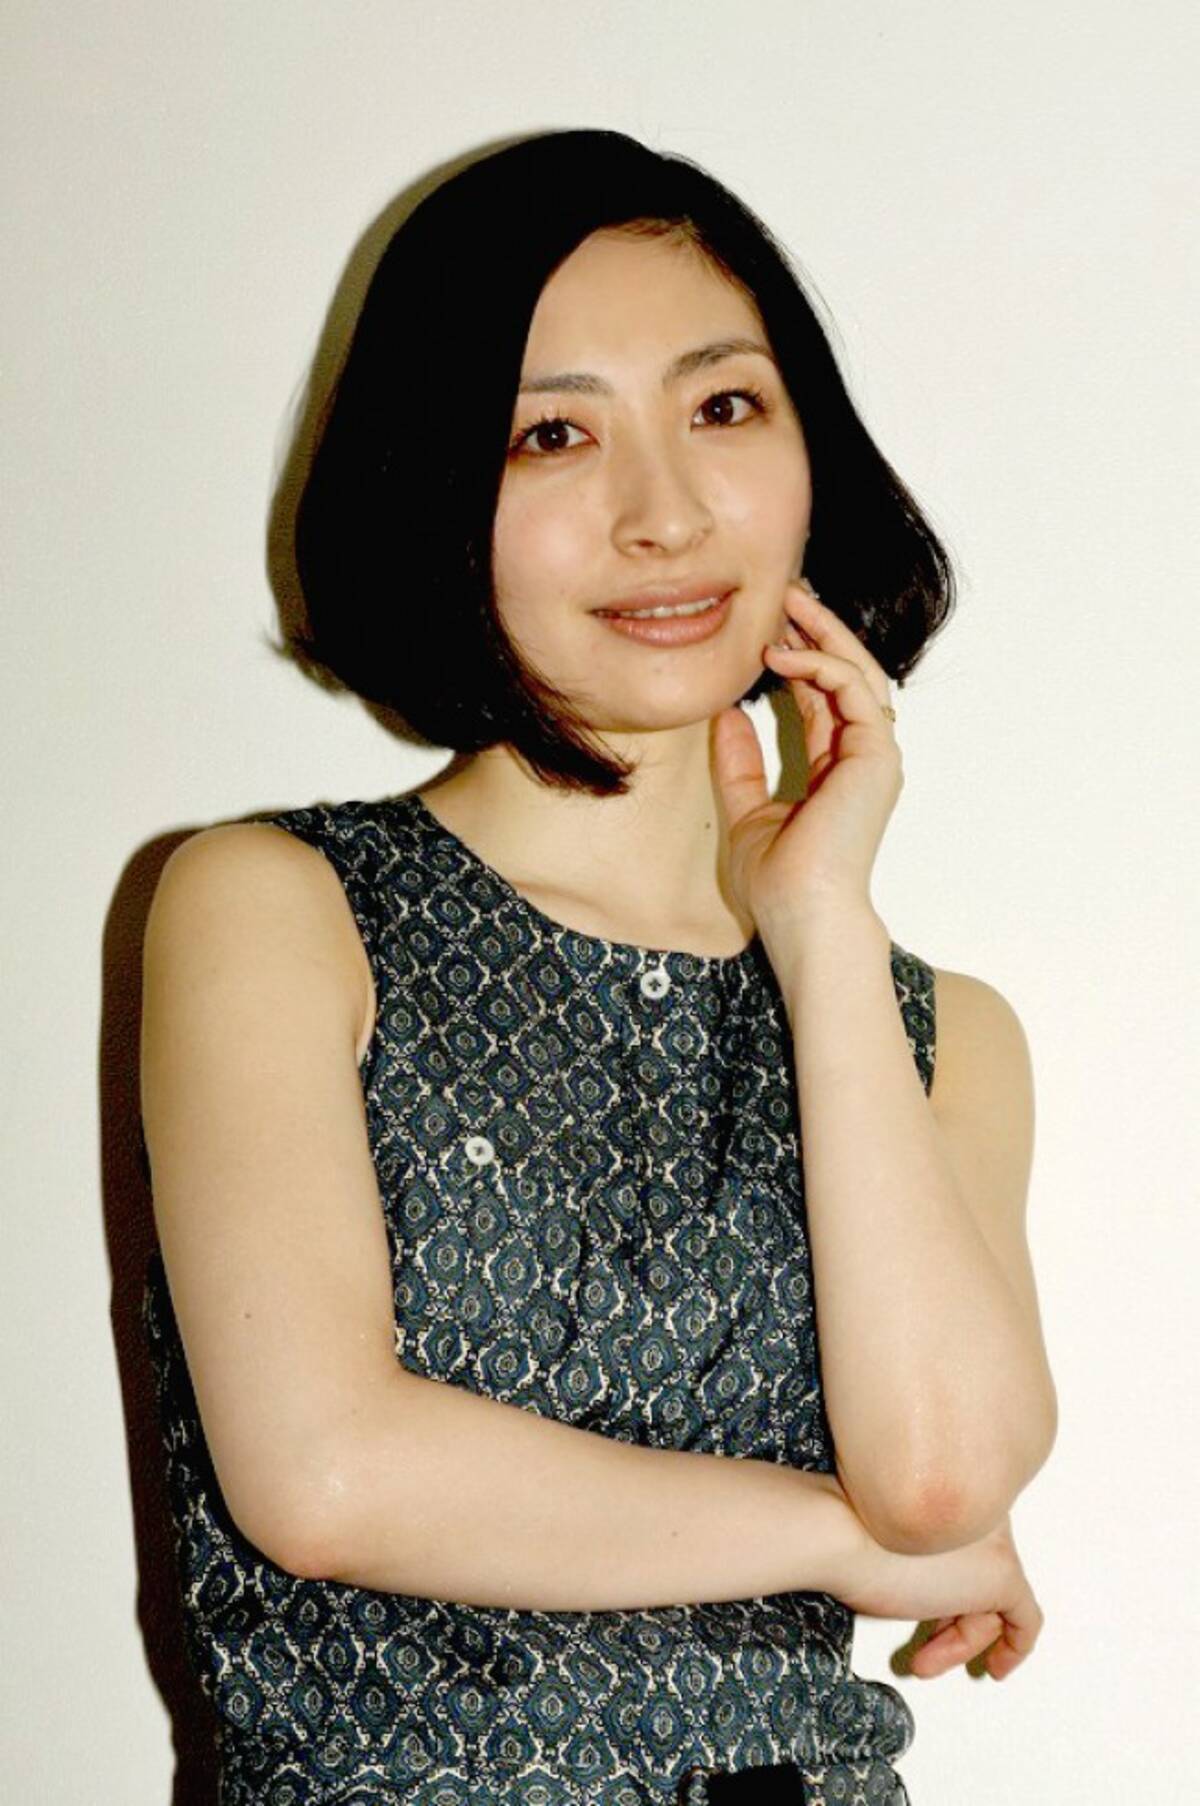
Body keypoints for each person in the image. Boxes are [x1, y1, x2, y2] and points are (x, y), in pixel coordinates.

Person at [139, 129, 1057, 1806]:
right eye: (554, 433)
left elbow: (940, 1483)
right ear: (437, 484)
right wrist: (830, 1539)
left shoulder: (946, 1035)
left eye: (725, 407)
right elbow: (327, 1474)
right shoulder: (277, 907)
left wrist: (823, 930)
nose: (666, 513)